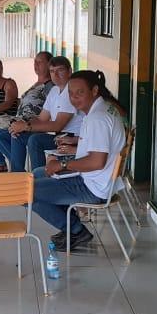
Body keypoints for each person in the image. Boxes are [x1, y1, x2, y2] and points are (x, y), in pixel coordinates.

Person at [31, 70, 127, 252]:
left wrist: (62, 164)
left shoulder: (97, 118)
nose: (74, 98)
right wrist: (73, 147)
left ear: (94, 90)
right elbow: (97, 148)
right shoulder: (104, 108)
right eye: (70, 93)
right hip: (100, 179)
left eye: (80, 92)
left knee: (27, 191)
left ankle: (75, 229)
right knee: (37, 173)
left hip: (92, 186)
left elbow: (96, 162)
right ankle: (69, 223)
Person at [7, 55, 81, 172]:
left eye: (60, 70)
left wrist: (26, 126)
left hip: (73, 139)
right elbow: (42, 119)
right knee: (18, 135)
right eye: (52, 71)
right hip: (60, 137)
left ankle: (38, 177)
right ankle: (18, 176)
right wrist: (21, 125)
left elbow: (58, 125)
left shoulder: (71, 91)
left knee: (36, 140)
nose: (55, 75)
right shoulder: (54, 90)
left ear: (69, 71)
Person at [0, 51, 54, 173]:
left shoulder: (50, 87)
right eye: (34, 62)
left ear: (49, 65)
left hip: (32, 124)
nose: (35, 65)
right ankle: (13, 168)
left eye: (39, 62)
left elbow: (50, 112)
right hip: (21, 121)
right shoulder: (37, 83)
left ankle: (18, 171)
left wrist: (26, 125)